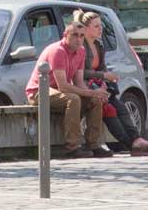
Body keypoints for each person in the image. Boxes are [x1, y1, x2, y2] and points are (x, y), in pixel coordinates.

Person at [72, 10, 148, 156]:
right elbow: (81, 73)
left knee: (121, 107)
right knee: (109, 110)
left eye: (101, 25)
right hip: (86, 87)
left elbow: (102, 67)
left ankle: (136, 139)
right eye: (96, 26)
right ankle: (131, 145)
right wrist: (103, 75)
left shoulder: (99, 45)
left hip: (99, 86)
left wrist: (105, 82)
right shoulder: (81, 48)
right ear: (86, 28)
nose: (101, 29)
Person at [26, 15, 108, 158]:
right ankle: (72, 147)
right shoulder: (58, 51)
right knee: (74, 99)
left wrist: (95, 93)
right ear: (65, 35)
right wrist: (90, 93)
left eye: (82, 36)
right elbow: (63, 86)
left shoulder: (81, 51)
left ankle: (93, 144)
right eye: (75, 35)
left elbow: (79, 83)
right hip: (38, 91)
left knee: (96, 100)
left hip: (58, 92)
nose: (79, 39)